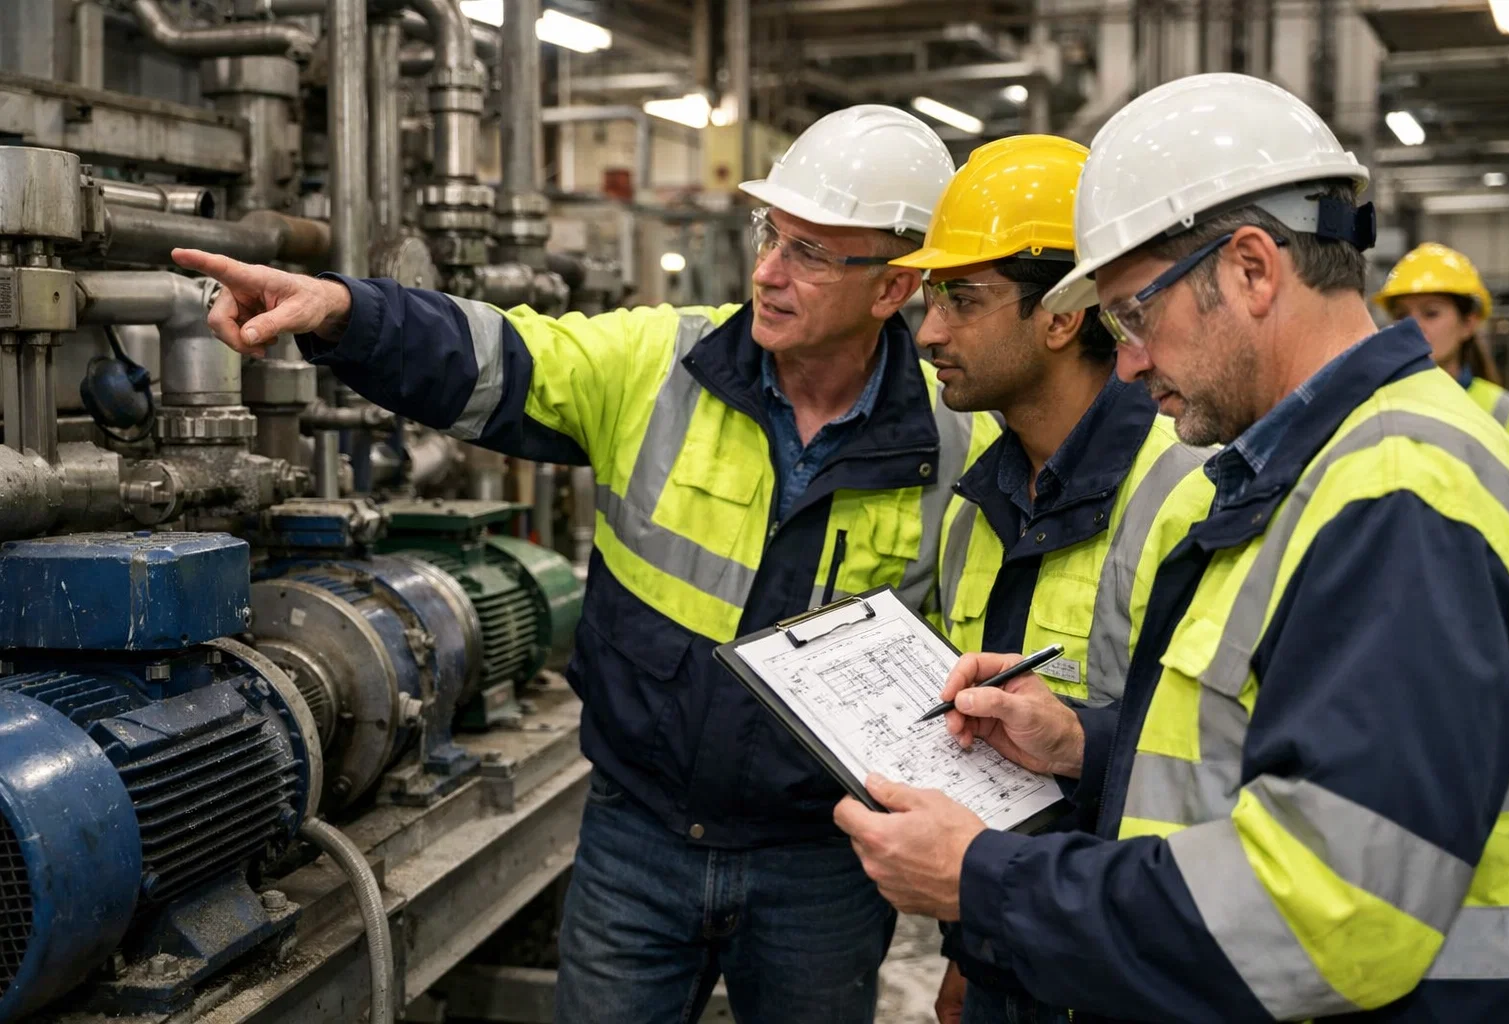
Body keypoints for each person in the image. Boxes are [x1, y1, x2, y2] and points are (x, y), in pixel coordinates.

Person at [174, 104, 1001, 1024]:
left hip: (822, 865)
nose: (768, 270)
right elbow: (497, 356)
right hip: (637, 838)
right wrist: (342, 312)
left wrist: (980, 938)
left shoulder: (957, 445)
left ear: (891, 290)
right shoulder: (661, 364)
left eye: (811, 252)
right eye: (772, 232)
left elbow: (970, 694)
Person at [834, 72, 1509, 1022]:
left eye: (1133, 312)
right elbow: (1266, 745)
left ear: (1252, 269)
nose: (1123, 358)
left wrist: (984, 879)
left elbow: (1331, 912)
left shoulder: (1399, 495)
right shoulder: (1314, 472)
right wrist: (1083, 742)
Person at [886, 135, 1214, 1024]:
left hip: (1138, 965)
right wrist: (975, 954)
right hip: (1013, 934)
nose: (930, 333)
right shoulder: (976, 503)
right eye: (930, 298)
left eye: (963, 298)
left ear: (1064, 316)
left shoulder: (1186, 494)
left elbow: (1206, 778)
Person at [1375, 242, 1509, 464]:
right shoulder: (1377, 408)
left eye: (1431, 313)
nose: (1412, 326)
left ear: (1469, 323)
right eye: (1402, 315)